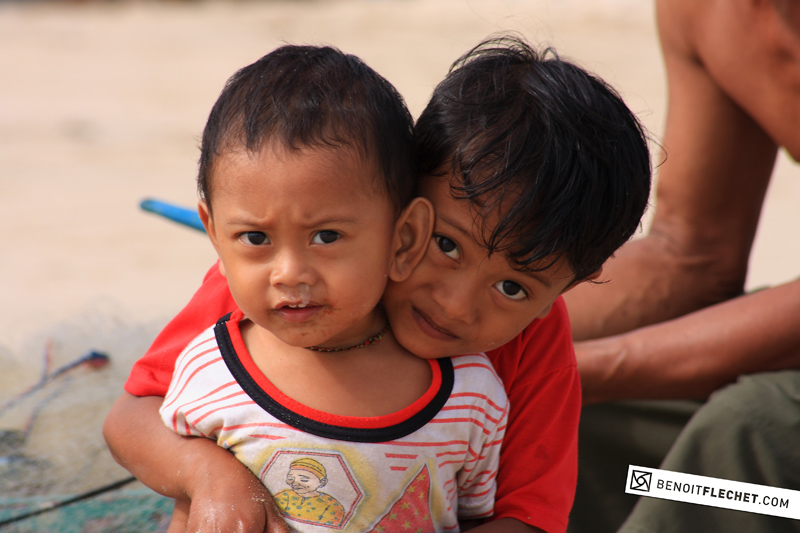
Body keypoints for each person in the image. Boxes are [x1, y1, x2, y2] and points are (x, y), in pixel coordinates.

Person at [104, 35, 652, 533]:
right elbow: (136, 413)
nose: (455, 304)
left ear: (568, 287)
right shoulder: (282, 285)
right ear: (408, 204)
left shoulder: (534, 341)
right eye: (446, 244)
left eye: (513, 288)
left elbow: (528, 515)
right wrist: (210, 477)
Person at [155, 43, 510, 533]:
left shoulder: (471, 398)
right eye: (255, 238)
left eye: (326, 236)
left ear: (402, 239)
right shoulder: (206, 371)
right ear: (214, 233)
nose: (290, 273)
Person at [564, 0, 800, 531]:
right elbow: (690, 254)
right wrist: (481, 321)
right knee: (558, 422)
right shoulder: (710, 11)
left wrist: (582, 369)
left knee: (747, 437)